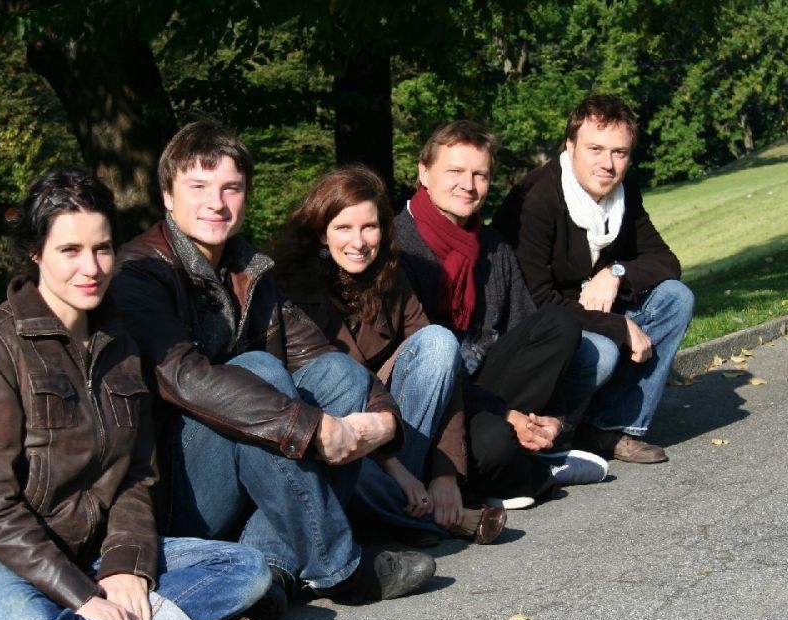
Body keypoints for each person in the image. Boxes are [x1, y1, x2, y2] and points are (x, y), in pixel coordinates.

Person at [0, 170, 274, 620]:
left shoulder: (121, 341)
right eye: (70, 250)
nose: (91, 268)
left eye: (103, 248)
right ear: (36, 254)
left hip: (89, 551)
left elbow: (135, 472)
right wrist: (83, 596)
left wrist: (125, 567)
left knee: (245, 569)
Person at [110, 120, 435, 620]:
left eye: (230, 188)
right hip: (176, 489)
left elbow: (321, 355)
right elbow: (184, 378)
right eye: (197, 187)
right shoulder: (140, 273)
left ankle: (274, 569)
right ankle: (339, 568)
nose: (215, 203)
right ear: (167, 196)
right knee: (259, 368)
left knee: (342, 380)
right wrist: (310, 427)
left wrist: (384, 420)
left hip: (248, 459)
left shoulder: (248, 270)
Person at [272, 164, 507, 547]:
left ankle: (407, 508)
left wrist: (445, 474)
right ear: (321, 232)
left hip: (394, 431)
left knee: (438, 342)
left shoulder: (390, 275)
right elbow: (329, 392)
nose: (359, 241)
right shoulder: (290, 290)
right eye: (344, 228)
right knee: (338, 469)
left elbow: (446, 376)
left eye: (369, 227)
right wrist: (394, 468)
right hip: (332, 435)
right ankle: (424, 517)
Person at [395, 120, 609, 509]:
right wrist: (504, 415)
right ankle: (531, 474)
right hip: (435, 403)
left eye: (480, 174)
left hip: (490, 384)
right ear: (424, 172)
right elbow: (419, 370)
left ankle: (537, 450)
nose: (468, 185)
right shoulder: (399, 247)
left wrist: (553, 419)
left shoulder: (492, 246)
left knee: (559, 324)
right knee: (494, 443)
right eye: (455, 172)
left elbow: (525, 331)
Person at [493, 94, 694, 463]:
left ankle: (608, 428)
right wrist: (617, 326)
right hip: (539, 329)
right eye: (596, 149)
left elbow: (666, 260)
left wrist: (616, 273)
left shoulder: (622, 192)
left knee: (675, 298)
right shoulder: (537, 199)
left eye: (620, 152)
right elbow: (536, 302)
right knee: (598, 352)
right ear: (569, 146)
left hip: (589, 314)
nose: (608, 164)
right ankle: (557, 434)